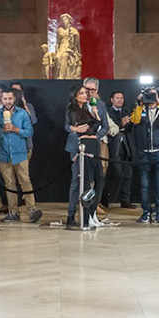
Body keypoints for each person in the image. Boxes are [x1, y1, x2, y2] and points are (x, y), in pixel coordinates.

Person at [124, 86, 159, 224]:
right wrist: (140, 104)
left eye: (152, 95)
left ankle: (158, 212)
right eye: (148, 95)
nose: (150, 98)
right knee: (145, 185)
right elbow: (134, 120)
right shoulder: (141, 110)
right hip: (144, 153)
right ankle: (146, 212)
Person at [0, 86, 38, 223]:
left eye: (10, 98)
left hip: (20, 153)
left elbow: (29, 132)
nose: (7, 101)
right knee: (9, 183)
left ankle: (32, 210)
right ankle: (13, 212)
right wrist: (2, 131)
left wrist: (15, 129)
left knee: (25, 181)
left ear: (14, 99)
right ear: (1, 99)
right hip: (3, 154)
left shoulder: (23, 113)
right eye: (5, 98)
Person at [64, 80, 103, 229]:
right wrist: (80, 130)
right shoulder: (72, 109)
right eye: (82, 93)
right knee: (76, 182)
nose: (85, 95)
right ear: (75, 96)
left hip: (90, 148)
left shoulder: (87, 109)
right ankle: (71, 214)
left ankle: (87, 213)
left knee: (90, 181)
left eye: (86, 93)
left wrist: (95, 114)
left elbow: (96, 126)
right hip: (78, 148)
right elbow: (83, 128)